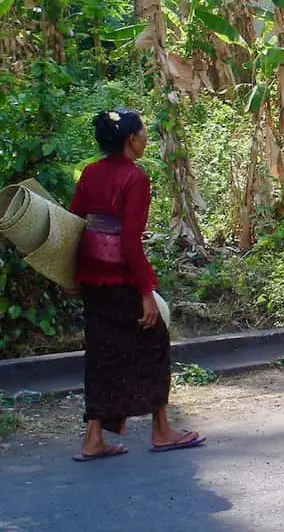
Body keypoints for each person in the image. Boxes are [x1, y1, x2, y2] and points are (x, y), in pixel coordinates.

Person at [69, 109, 205, 462]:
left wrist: (72, 275)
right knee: (155, 342)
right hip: (119, 276)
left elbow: (73, 223)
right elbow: (131, 242)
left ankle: (93, 438)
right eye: (143, 133)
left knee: (101, 354)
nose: (146, 137)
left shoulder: (90, 173)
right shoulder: (135, 178)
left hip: (91, 275)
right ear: (131, 140)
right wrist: (146, 293)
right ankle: (161, 430)